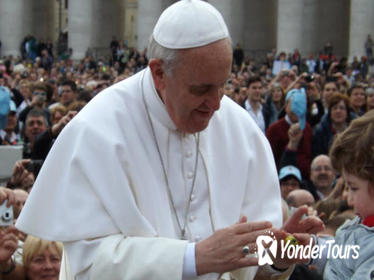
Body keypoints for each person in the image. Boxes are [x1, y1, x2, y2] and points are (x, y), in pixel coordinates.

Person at [16, 1, 323, 279]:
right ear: (159, 73)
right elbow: (86, 264)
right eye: (201, 90)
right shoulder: (98, 131)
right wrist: (192, 258)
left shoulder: (240, 130)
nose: (216, 104)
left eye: (223, 86)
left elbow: (250, 266)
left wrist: (277, 259)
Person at [321, 110, 374, 279]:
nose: (349, 199)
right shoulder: (361, 227)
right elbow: (345, 254)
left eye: (354, 188)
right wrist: (306, 247)